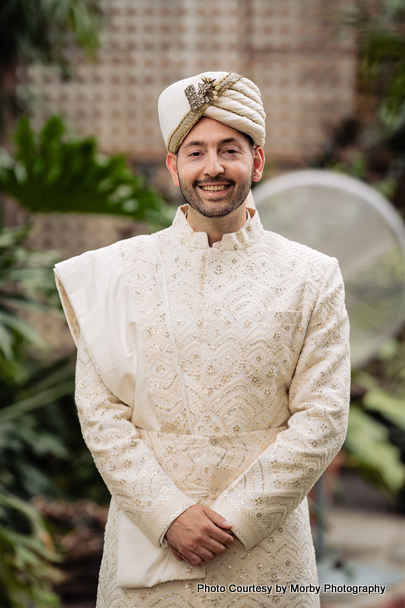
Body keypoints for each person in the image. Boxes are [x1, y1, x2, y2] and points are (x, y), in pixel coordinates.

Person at [54, 71, 350, 608]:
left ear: (256, 160)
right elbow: (99, 413)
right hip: (147, 550)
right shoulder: (118, 273)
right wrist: (169, 514)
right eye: (195, 151)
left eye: (229, 149)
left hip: (267, 560)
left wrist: (237, 517)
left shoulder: (311, 275)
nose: (212, 167)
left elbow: (324, 416)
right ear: (174, 166)